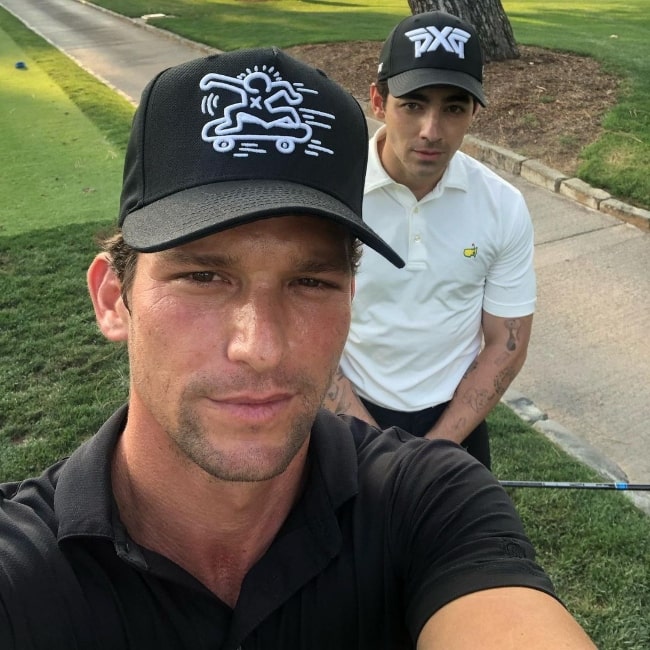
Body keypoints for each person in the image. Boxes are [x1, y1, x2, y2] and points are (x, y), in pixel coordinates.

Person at [0, 48, 595, 649]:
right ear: (112, 298)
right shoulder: (22, 572)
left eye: (311, 282)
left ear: (349, 298)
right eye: (203, 277)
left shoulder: (431, 501)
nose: (259, 348)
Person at [324, 11, 537, 469]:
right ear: (379, 101)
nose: (431, 131)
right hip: (344, 418)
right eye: (414, 104)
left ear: (473, 112)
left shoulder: (502, 206)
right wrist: (370, 443)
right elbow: (303, 331)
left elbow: (506, 342)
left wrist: (436, 449)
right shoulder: (331, 197)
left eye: (454, 108)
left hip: (454, 425)